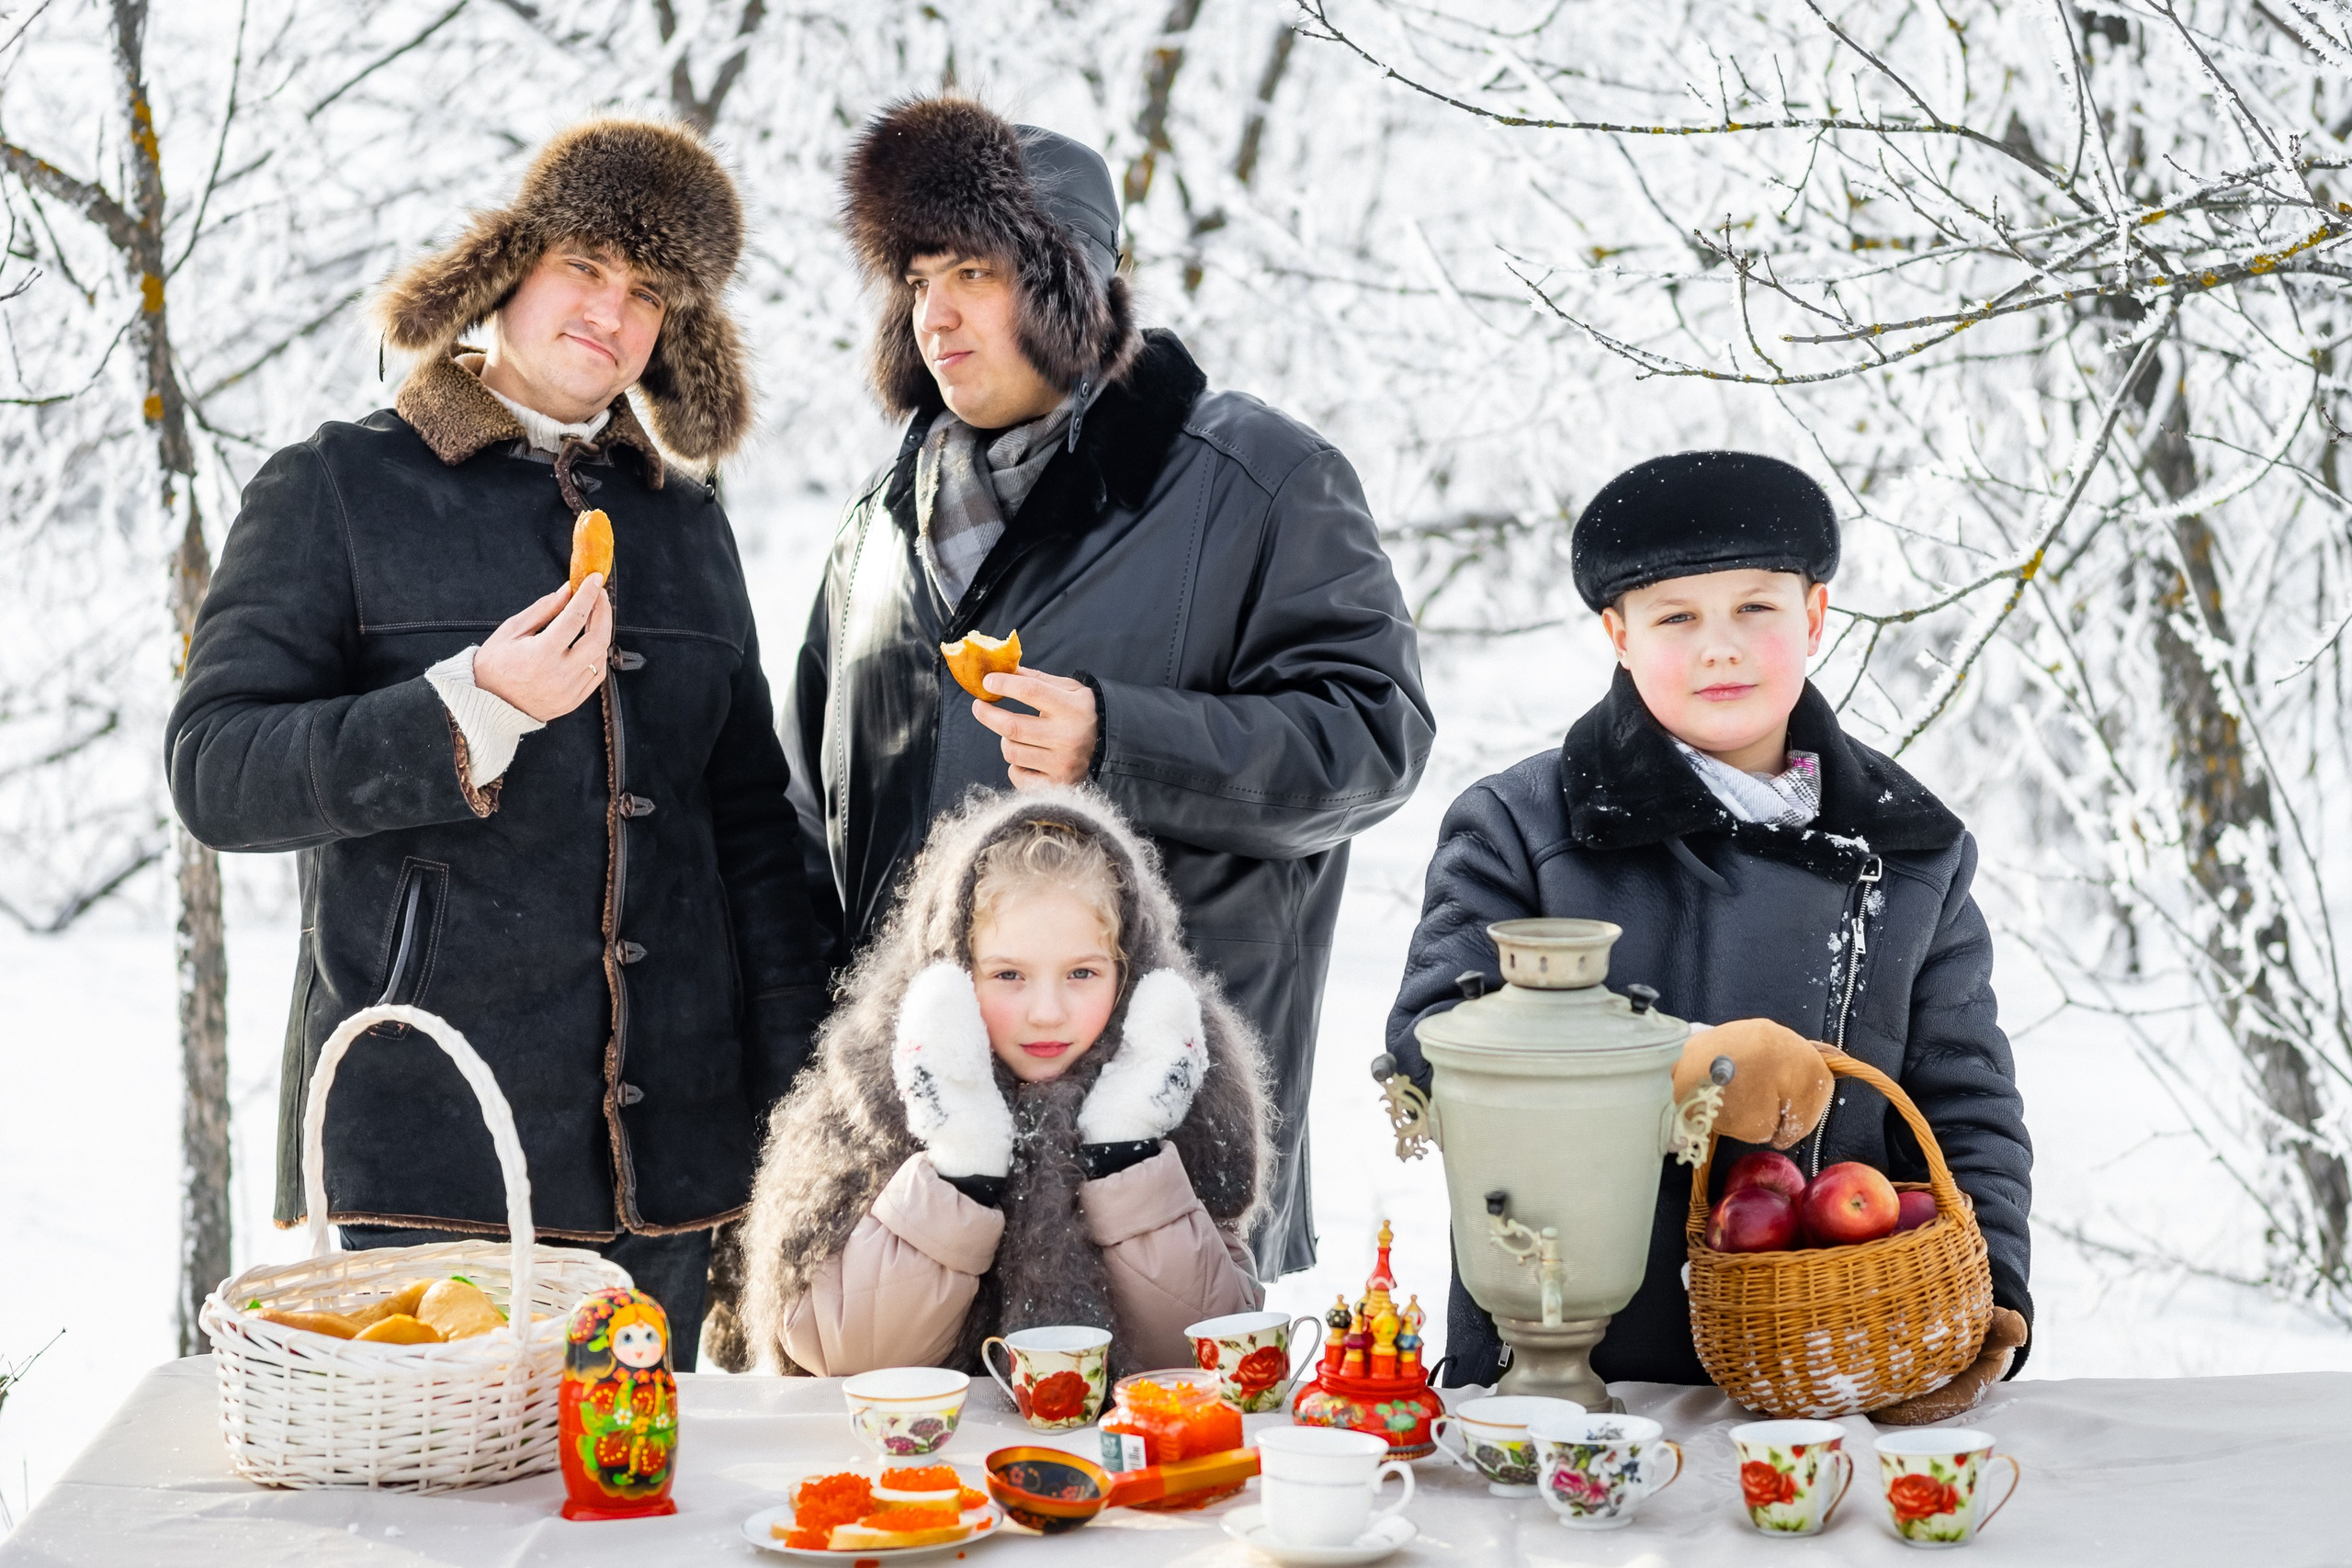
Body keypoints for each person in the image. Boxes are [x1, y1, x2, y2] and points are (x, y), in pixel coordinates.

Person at [164, 119, 829, 1365]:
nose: (612, 313)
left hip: (673, 1170)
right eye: (588, 266)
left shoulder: (688, 521)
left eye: (650, 294)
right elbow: (217, 771)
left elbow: (746, 824)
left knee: (643, 1521)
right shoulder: (338, 488)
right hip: (434, 1145)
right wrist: (470, 705)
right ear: (511, 264)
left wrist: (794, 1098)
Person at [775, 96, 1432, 1290]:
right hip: (916, 1175)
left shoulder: (1258, 479)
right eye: (917, 275)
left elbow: (1372, 739)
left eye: (974, 269)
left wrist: (1118, 743)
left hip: (1162, 1154)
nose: (937, 311)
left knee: (1170, 1477)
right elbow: (799, 826)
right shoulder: (873, 531)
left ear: (1073, 285)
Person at [1385, 451, 2031, 1422]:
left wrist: (1994, 1296)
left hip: (1835, 1374)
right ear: (1618, 635)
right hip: (1574, 1379)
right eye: (1676, 617)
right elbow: (1433, 1043)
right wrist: (1674, 1068)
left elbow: (1963, 1102)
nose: (1718, 648)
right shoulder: (1522, 827)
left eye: (1754, 609)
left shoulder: (1910, 850)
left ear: (1813, 616)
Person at [738, 788, 1271, 1377]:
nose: (1047, 1012)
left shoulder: (1184, 1080)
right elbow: (850, 1360)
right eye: (1008, 974)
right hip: (930, 1461)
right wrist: (961, 1165)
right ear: (954, 972)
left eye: (1083, 973)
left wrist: (1128, 1154)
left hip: (1128, 1457)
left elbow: (1210, 1353)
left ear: (1130, 972)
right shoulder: (868, 1091)